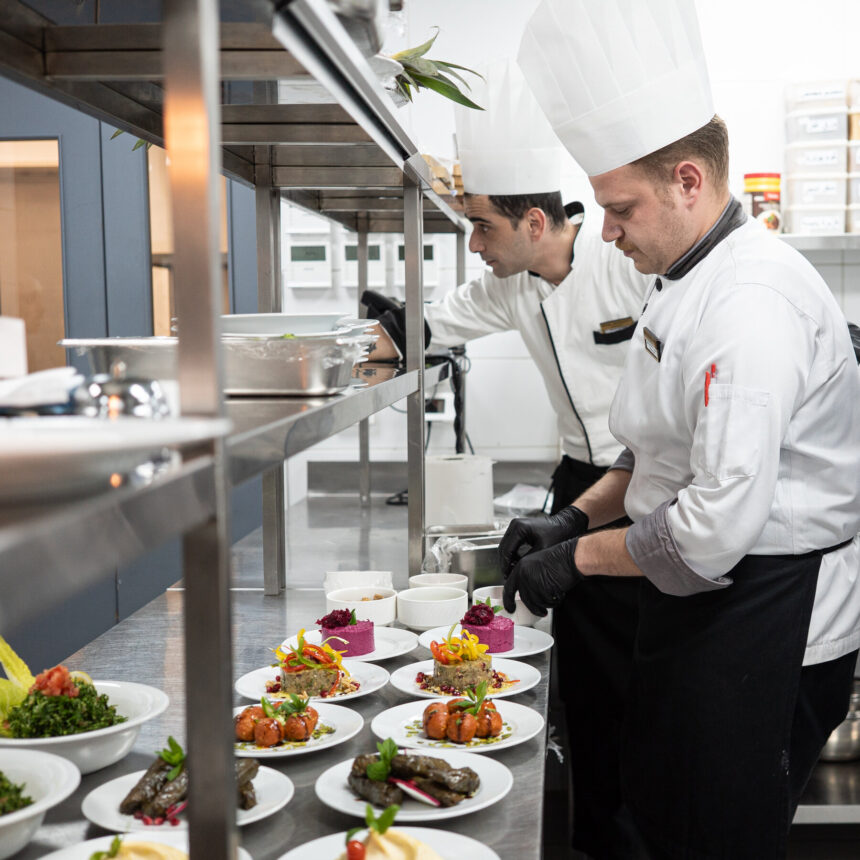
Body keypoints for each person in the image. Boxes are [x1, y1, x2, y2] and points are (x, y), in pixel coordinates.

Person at [505, 1, 860, 857]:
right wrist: (578, 515)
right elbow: (657, 445)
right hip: (704, 611)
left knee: (716, 836)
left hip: (766, 616)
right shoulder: (681, 275)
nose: (609, 231)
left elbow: (709, 535)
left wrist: (578, 558)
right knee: (667, 815)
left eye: (619, 208)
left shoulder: (750, 305)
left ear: (689, 182)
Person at [364, 59, 650, 856]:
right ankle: (594, 834)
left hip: (649, 485)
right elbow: (433, 323)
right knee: (586, 680)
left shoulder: (631, 267)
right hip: (575, 485)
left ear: (536, 223)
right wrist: (387, 327)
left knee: (640, 681)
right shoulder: (512, 284)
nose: (474, 244)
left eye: (482, 226)